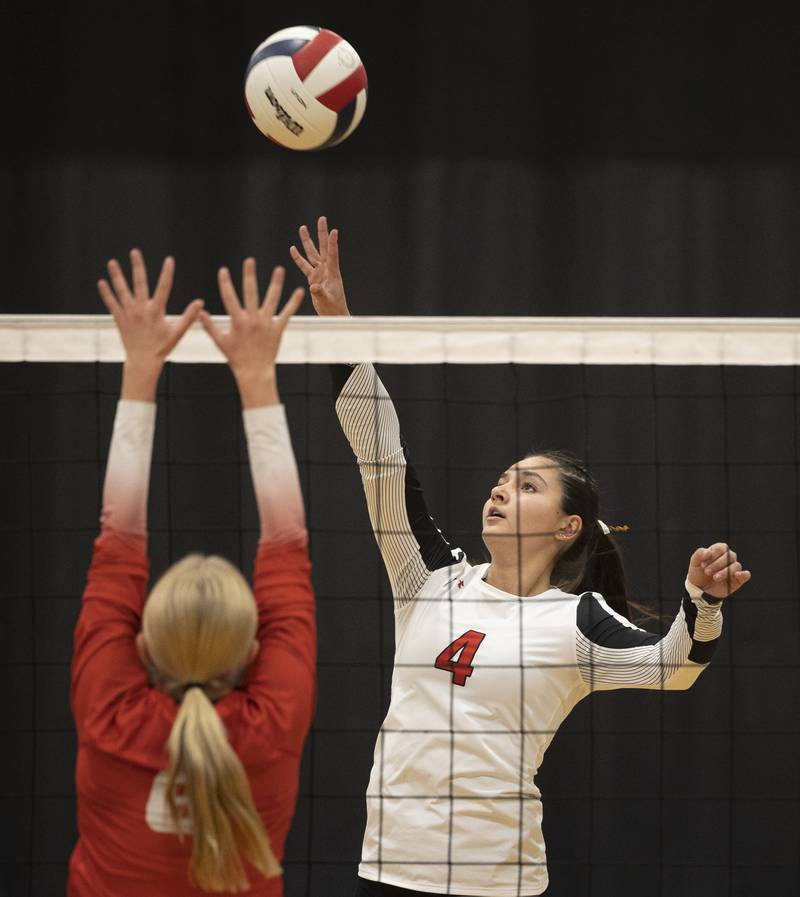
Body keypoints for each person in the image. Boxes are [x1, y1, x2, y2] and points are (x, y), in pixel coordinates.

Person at [289, 218, 751, 897]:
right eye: (502, 478)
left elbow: (673, 667)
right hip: (387, 871)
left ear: (568, 526)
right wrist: (340, 326)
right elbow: (381, 458)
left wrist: (701, 601)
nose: (502, 488)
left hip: (497, 881)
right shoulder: (427, 578)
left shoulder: (577, 621)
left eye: (527, 484)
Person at [69, 250, 315, 895]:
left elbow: (117, 542)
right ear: (256, 650)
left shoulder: (110, 716)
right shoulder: (272, 723)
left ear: (143, 645)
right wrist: (257, 374)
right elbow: (285, 545)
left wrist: (140, 369)